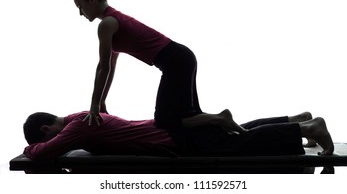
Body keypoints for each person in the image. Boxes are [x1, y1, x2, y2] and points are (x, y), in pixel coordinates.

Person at [72, 0, 245, 133]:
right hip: (181, 57)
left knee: (165, 120)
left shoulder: (107, 24)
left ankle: (221, 118)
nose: (80, 13)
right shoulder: (113, 20)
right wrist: (101, 101)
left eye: (80, 6)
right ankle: (226, 127)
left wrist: (94, 106)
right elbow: (109, 66)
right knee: (188, 115)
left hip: (174, 61)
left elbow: (103, 68)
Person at [22, 110, 334, 161]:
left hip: (175, 139)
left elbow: (43, 153)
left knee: (238, 143)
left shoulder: (75, 126)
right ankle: (297, 121)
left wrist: (33, 148)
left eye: (46, 137)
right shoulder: (80, 116)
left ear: (46, 130)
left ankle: (306, 128)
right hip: (175, 131)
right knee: (236, 132)